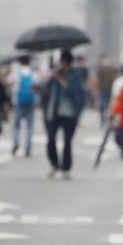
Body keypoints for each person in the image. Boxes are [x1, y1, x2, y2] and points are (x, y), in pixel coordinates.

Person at [42, 50, 85, 179]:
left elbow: (74, 90)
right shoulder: (55, 74)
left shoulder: (75, 75)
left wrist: (59, 79)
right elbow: (46, 90)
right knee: (50, 139)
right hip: (53, 111)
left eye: (63, 61)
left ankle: (66, 167)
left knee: (67, 141)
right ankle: (54, 164)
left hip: (69, 111)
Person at [7, 56, 38, 157]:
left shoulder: (16, 73)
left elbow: (8, 82)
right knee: (29, 126)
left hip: (18, 102)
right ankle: (28, 147)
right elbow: (37, 85)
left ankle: (16, 142)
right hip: (30, 102)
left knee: (16, 125)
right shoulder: (33, 73)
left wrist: (14, 87)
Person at [95, 54, 118, 127]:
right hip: (102, 90)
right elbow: (97, 80)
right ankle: (102, 120)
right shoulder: (100, 70)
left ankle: (110, 120)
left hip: (110, 90)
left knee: (110, 106)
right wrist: (96, 90)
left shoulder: (112, 70)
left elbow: (115, 78)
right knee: (102, 106)